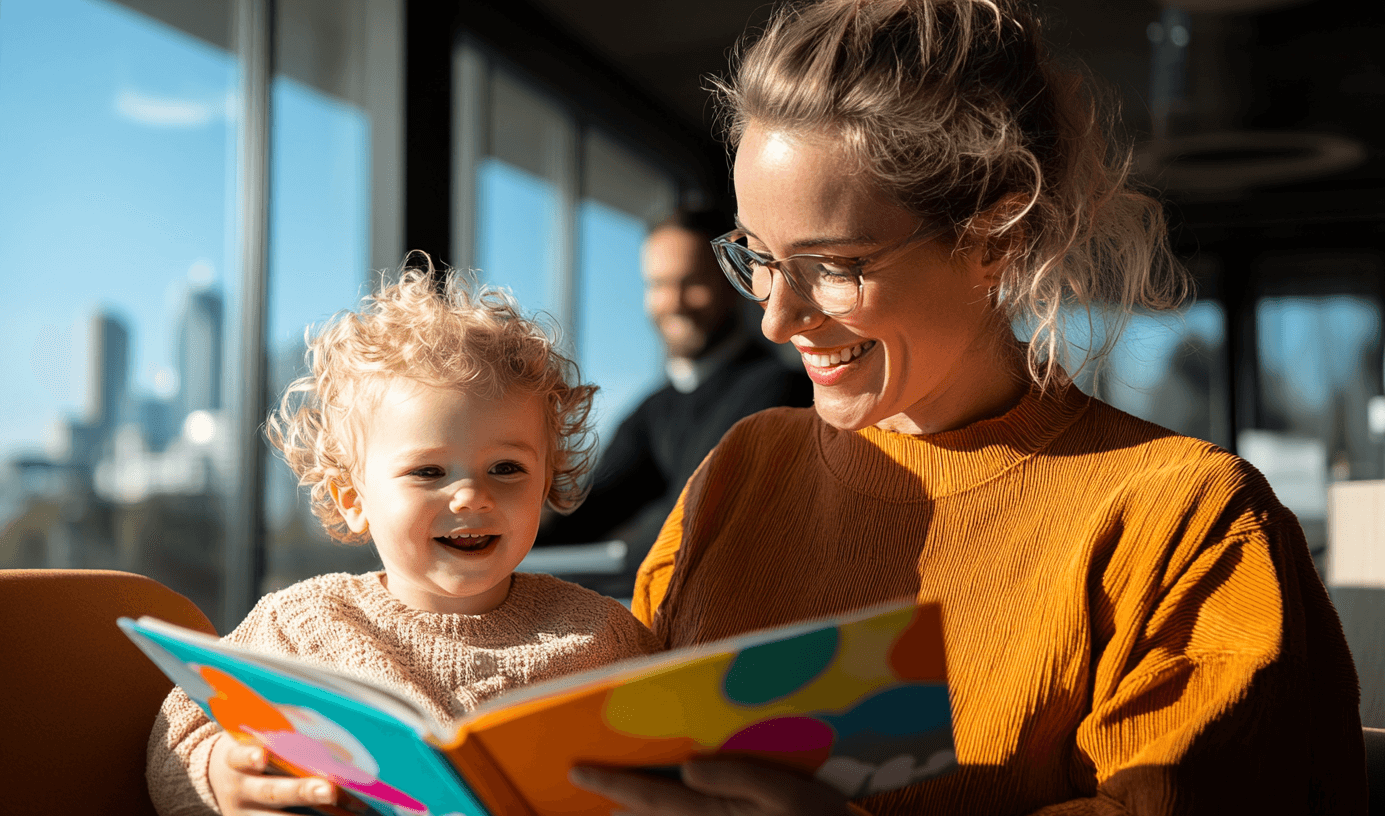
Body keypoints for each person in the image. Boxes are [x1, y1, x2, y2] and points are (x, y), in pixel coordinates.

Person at [569, 1, 1367, 814]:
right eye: (759, 258)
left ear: (995, 236)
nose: (776, 318)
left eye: (834, 265)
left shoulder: (1182, 522)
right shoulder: (740, 472)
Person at [147, 260, 659, 815]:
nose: (470, 497)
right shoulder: (300, 624)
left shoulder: (603, 635)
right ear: (353, 498)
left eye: (507, 469)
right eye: (428, 473)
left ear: (546, 484)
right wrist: (222, 776)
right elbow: (178, 733)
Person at [537, 208, 811, 594]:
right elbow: (591, 509)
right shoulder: (655, 408)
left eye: (691, 282)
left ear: (733, 284)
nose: (673, 302)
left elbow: (686, 527)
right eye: (658, 285)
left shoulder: (780, 391)